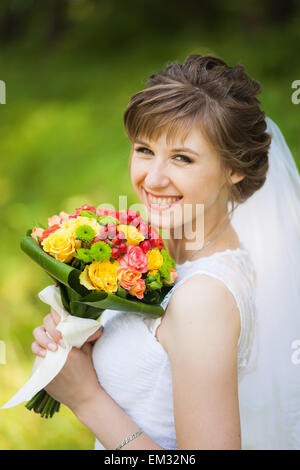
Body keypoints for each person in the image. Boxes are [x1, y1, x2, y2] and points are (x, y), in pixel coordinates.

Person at [31, 54, 300, 450]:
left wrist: (85, 397)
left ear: (234, 169)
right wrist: (80, 329)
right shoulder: (156, 251)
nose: (152, 179)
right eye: (144, 149)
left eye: (182, 158)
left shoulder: (204, 298)